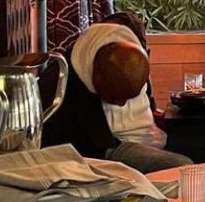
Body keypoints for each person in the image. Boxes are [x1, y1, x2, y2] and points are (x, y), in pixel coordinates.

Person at [42, 19, 194, 174]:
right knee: (183, 167)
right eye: (114, 98)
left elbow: (147, 100)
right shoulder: (59, 83)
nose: (122, 104)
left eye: (129, 97)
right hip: (105, 148)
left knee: (204, 144)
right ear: (96, 72)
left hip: (145, 135)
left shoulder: (133, 55)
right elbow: (65, 149)